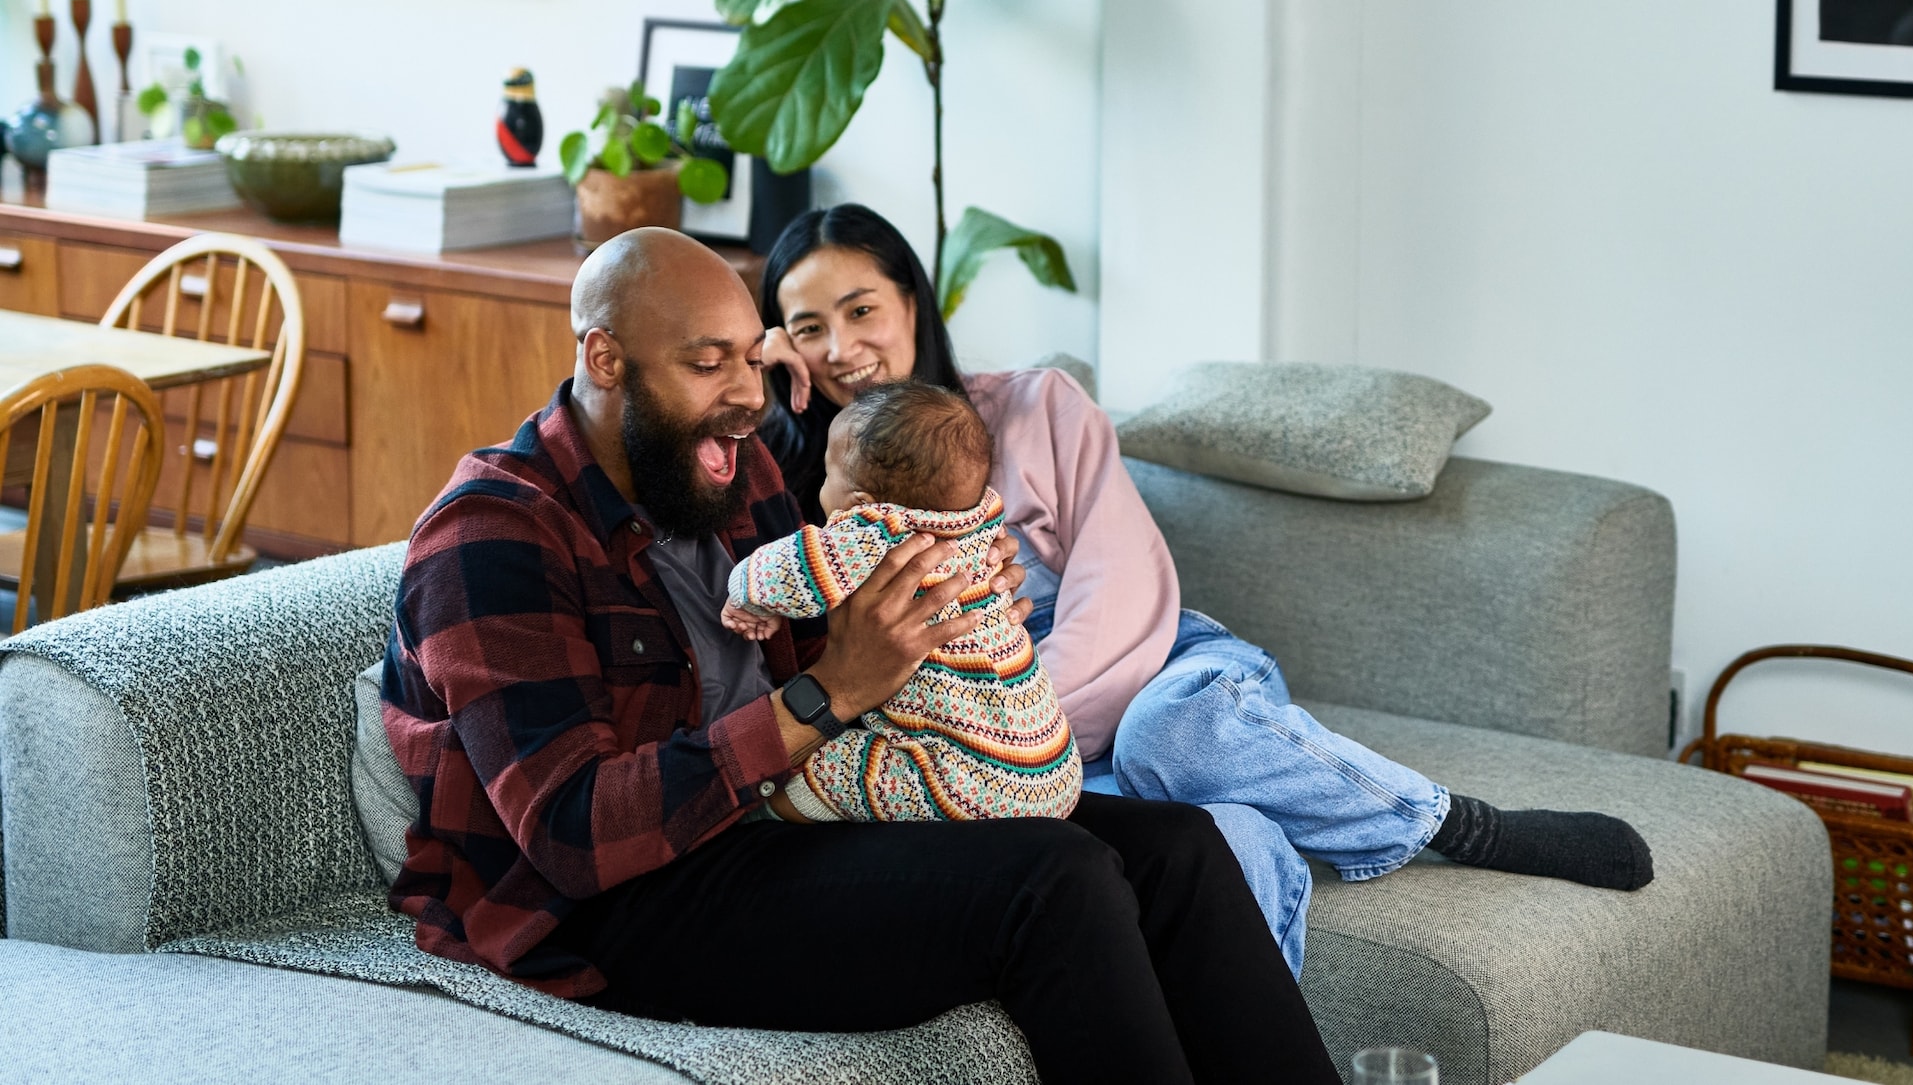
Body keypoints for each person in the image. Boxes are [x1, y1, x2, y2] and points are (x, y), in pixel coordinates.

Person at [380, 226, 1339, 1085]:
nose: (747, 399)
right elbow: (575, 834)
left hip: (780, 818)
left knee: (1180, 846)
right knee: (1055, 881)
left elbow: (829, 609)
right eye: (709, 365)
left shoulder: (733, 467)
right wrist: (825, 694)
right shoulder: (492, 535)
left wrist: (943, 598)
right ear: (605, 358)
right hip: (613, 903)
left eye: (753, 361)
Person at [758, 204, 1656, 976]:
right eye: (804, 328)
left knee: (1169, 733)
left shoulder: (1035, 406)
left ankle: (1460, 824)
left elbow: (1125, 585)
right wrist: (761, 401)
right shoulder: (809, 501)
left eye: (861, 307)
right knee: (1224, 843)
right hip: (1018, 756)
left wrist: (1015, 734)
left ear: (912, 298)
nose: (841, 348)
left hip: (1149, 673)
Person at [722, 379, 1082, 823]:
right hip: (1054, 765)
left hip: (967, 783)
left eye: (828, 472)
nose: (821, 484)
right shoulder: (982, 522)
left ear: (862, 502)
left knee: (839, 764)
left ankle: (771, 815)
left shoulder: (879, 532)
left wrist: (746, 596)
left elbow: (790, 570)